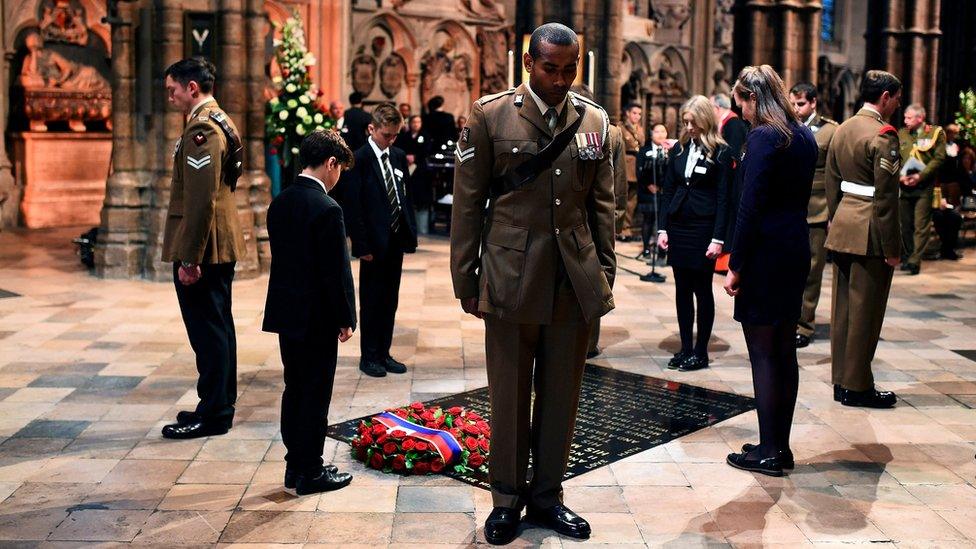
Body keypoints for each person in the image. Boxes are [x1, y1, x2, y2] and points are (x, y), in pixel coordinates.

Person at [451, 22, 615, 545]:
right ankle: (506, 499)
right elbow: (468, 204)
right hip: (509, 278)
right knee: (509, 393)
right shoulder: (490, 115)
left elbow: (604, 205)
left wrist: (604, 272)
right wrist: (466, 279)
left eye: (570, 69)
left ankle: (547, 496)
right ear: (528, 63)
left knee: (562, 395)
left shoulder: (594, 121)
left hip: (572, 279)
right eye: (551, 68)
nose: (561, 79)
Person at [722, 65, 818, 476]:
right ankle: (780, 444)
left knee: (763, 353)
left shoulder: (764, 137)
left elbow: (751, 205)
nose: (740, 112)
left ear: (752, 98)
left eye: (740, 102)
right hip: (795, 248)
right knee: (783, 352)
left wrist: (735, 264)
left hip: (764, 255)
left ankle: (768, 450)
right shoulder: (803, 135)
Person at [262, 130, 356, 495]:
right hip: (317, 318)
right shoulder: (327, 208)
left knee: (295, 388)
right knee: (316, 395)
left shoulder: (280, 201)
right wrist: (345, 317)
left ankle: (294, 466)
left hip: (288, 315)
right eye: (340, 169)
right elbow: (335, 272)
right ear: (331, 163)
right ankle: (311, 472)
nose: (339, 178)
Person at [160, 57, 246, 439]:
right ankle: (217, 404)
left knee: (209, 332)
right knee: (217, 327)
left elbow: (200, 199)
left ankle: (214, 413)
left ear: (192, 87)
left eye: (172, 89)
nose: (170, 96)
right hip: (215, 243)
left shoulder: (203, 129)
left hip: (205, 247)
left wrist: (190, 256)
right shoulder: (218, 120)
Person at [824, 70, 903, 408]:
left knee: (842, 310)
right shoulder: (883, 134)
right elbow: (886, 199)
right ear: (885, 97)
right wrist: (893, 248)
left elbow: (831, 180)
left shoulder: (842, 129)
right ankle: (858, 386)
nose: (897, 106)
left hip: (843, 225)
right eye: (896, 99)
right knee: (865, 312)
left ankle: (842, 381)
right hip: (869, 231)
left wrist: (834, 218)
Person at [340, 103, 418, 377]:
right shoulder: (359, 159)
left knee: (390, 300)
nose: (391, 140)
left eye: (395, 135)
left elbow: (404, 196)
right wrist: (361, 245)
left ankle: (384, 353)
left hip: (394, 240)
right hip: (372, 243)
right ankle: (369, 356)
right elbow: (354, 206)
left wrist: (410, 234)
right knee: (372, 301)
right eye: (386, 135)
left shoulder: (396, 156)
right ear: (371, 129)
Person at [657, 95, 732, 372]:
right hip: (679, 225)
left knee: (702, 289)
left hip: (704, 227)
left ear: (705, 121)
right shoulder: (678, 148)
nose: (688, 127)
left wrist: (718, 238)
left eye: (693, 122)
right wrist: (663, 228)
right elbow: (668, 190)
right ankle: (685, 347)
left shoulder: (721, 151)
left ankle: (701, 352)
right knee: (681, 289)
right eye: (685, 122)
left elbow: (724, 198)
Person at [789, 82, 839, 349]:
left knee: (810, 271)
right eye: (793, 104)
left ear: (813, 103)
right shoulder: (786, 126)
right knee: (788, 269)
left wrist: (833, 212)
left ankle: (804, 325)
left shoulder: (830, 131)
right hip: (788, 209)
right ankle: (787, 319)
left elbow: (835, 175)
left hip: (816, 210)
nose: (795, 109)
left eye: (800, 104)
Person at [898, 103, 946, 275]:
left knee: (920, 225)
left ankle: (914, 261)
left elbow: (939, 158)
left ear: (920, 118)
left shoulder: (935, 133)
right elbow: (894, 157)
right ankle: (908, 255)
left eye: (909, 117)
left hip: (923, 187)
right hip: (904, 186)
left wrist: (921, 176)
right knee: (904, 225)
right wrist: (900, 177)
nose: (905, 120)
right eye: (905, 117)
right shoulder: (902, 134)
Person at [712, 93, 749, 246]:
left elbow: (732, 156)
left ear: (717, 108)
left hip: (731, 180)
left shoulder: (733, 124)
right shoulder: (726, 122)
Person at [636, 124, 673, 258]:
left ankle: (662, 250)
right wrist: (648, 185)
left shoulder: (671, 150)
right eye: (656, 131)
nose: (660, 134)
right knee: (648, 219)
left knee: (663, 221)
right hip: (648, 191)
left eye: (663, 131)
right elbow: (639, 171)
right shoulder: (644, 150)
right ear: (651, 134)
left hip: (665, 192)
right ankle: (646, 248)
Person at [933, 123, 968, 260]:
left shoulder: (956, 147)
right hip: (941, 185)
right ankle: (945, 248)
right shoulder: (939, 147)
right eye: (951, 132)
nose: (953, 135)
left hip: (953, 185)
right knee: (940, 216)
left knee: (954, 216)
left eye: (955, 133)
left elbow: (959, 170)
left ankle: (948, 249)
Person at [398, 115, 434, 235]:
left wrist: (416, 157)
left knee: (421, 199)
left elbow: (427, 149)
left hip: (421, 170)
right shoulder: (405, 136)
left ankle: (422, 229)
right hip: (407, 168)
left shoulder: (425, 136)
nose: (416, 124)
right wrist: (406, 156)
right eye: (414, 122)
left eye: (419, 122)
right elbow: (399, 148)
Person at [618, 103, 645, 241]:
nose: (637, 116)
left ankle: (628, 227)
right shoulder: (621, 128)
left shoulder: (639, 129)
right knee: (623, 198)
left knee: (632, 201)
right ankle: (620, 229)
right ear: (628, 113)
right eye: (634, 113)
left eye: (639, 114)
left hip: (636, 167)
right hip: (626, 166)